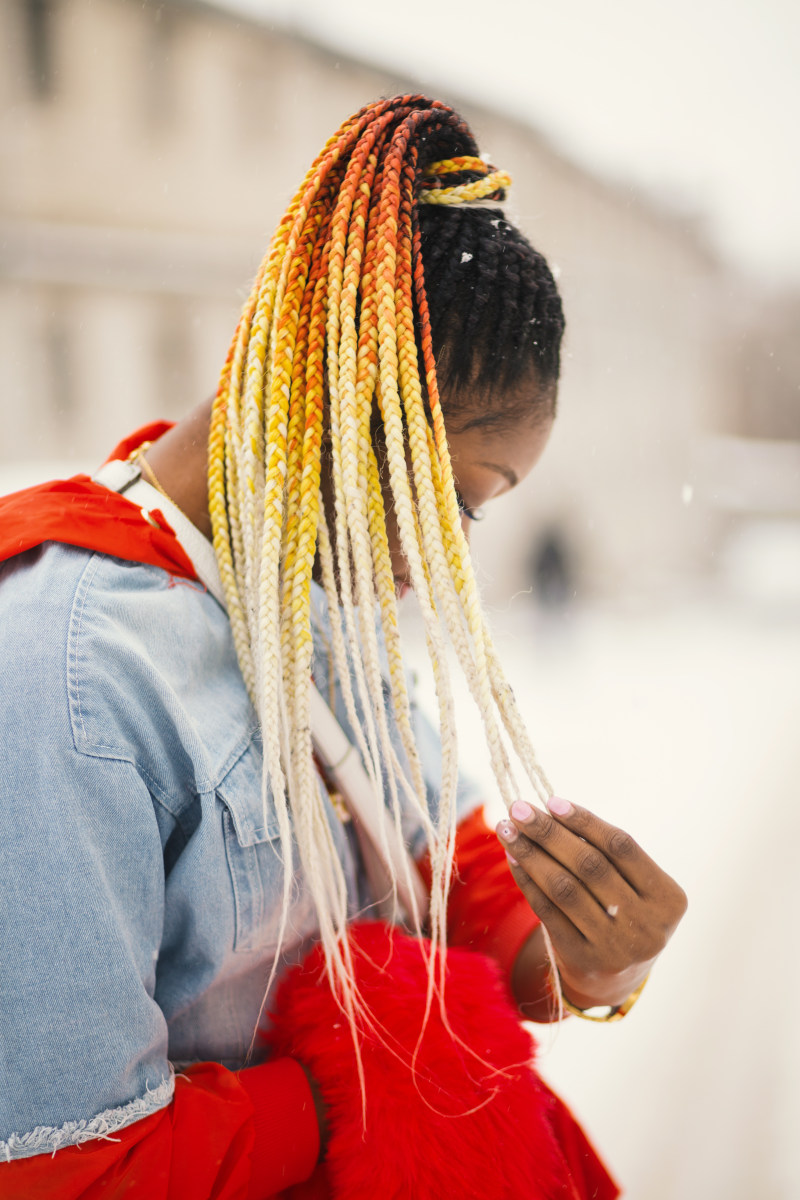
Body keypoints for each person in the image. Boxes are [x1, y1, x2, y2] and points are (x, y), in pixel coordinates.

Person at [0, 95, 686, 1199]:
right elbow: (60, 1170)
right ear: (314, 387)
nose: (435, 566)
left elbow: (418, 854)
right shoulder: (59, 675)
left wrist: (580, 953)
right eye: (437, 497)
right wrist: (360, 1080)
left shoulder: (306, 590)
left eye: (470, 514)